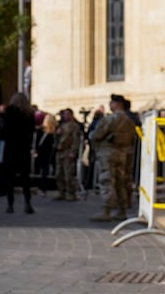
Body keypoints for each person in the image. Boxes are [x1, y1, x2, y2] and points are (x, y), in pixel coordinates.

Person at [89, 95, 138, 223]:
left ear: (116, 104)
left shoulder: (110, 119)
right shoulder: (129, 121)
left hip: (108, 152)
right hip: (122, 153)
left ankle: (106, 210)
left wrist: (92, 136)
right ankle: (122, 210)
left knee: (106, 180)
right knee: (120, 182)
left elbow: (97, 135)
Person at [1, 92, 36, 214]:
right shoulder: (29, 113)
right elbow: (32, 130)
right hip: (24, 147)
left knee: (10, 177)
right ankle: (28, 203)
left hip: (11, 148)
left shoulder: (9, 111)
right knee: (25, 178)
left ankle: (10, 204)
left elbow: (5, 130)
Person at [53, 107, 83, 202]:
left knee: (68, 173)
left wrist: (73, 151)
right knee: (59, 173)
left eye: (67, 114)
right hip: (60, 151)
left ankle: (70, 193)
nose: (65, 116)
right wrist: (57, 133)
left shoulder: (74, 126)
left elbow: (76, 140)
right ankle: (61, 191)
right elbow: (56, 139)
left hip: (68, 151)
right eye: (64, 114)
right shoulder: (61, 125)